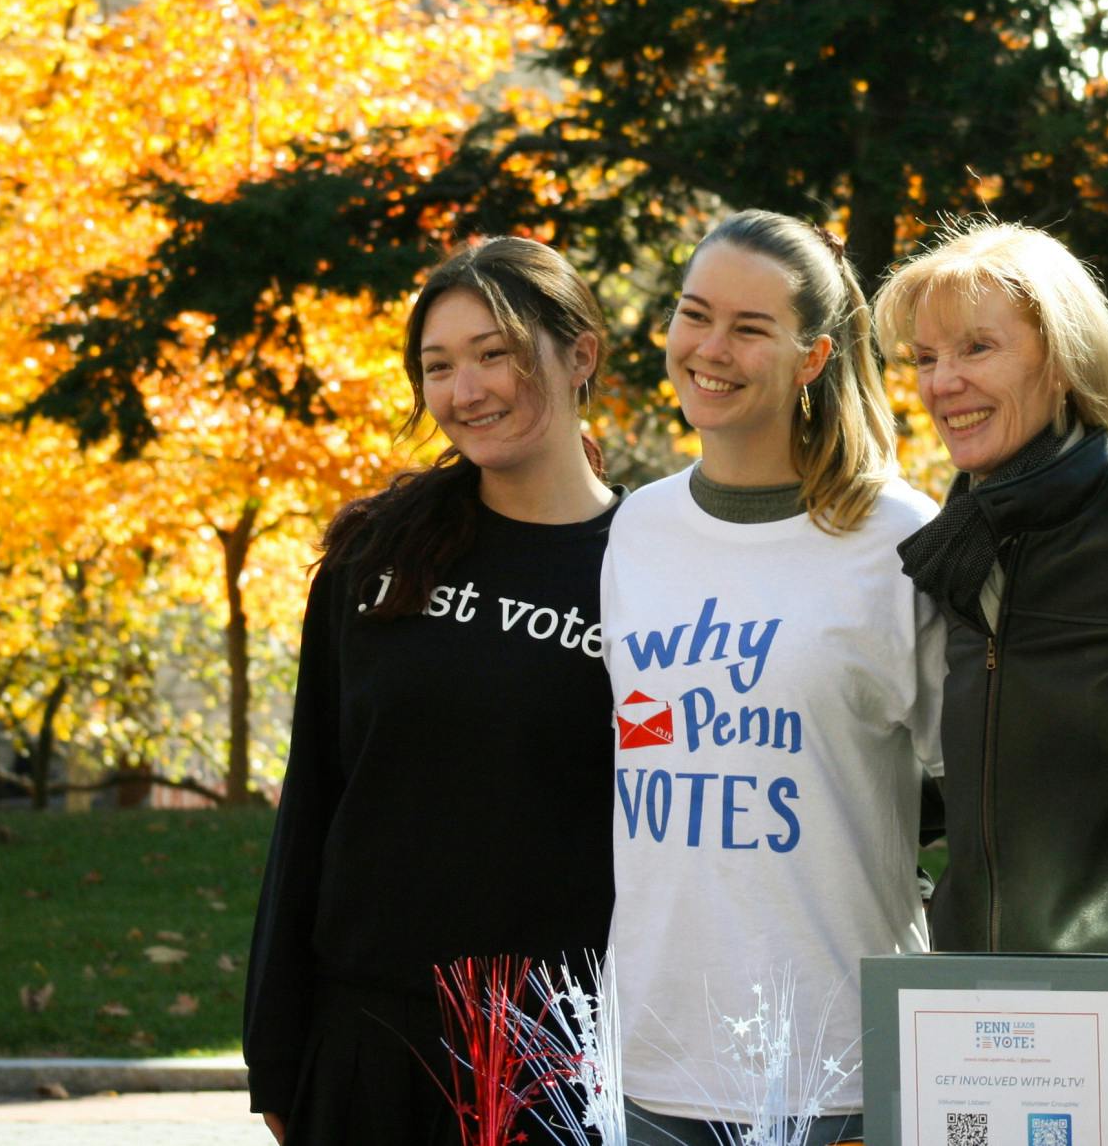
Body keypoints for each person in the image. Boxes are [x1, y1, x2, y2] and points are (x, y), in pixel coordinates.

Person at [244, 237, 622, 1145]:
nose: (467, 391)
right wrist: (276, 1052)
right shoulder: (379, 557)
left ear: (580, 355)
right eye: (439, 366)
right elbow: (315, 797)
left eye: (496, 353)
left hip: (560, 1058)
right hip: (369, 1044)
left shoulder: (655, 568)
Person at [601, 210, 944, 1146]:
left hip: (837, 1067)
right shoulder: (637, 528)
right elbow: (644, 742)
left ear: (811, 357)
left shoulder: (898, 539)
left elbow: (977, 781)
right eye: (693, 314)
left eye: (750, 328)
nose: (709, 349)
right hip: (652, 1063)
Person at [872, 221, 1108, 1043]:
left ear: (1065, 358)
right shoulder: (955, 547)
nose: (943, 383)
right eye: (927, 358)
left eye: (976, 348)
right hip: (979, 1024)